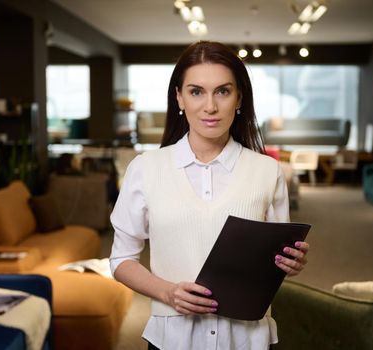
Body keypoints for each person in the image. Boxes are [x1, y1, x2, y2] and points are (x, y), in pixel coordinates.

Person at [109, 41, 310, 350]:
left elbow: (272, 261)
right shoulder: (145, 169)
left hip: (247, 340)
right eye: (196, 91)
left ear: (239, 97)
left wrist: (290, 264)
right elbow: (122, 259)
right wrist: (167, 293)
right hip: (173, 340)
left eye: (223, 91)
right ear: (179, 97)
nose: (210, 107)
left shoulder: (267, 171)